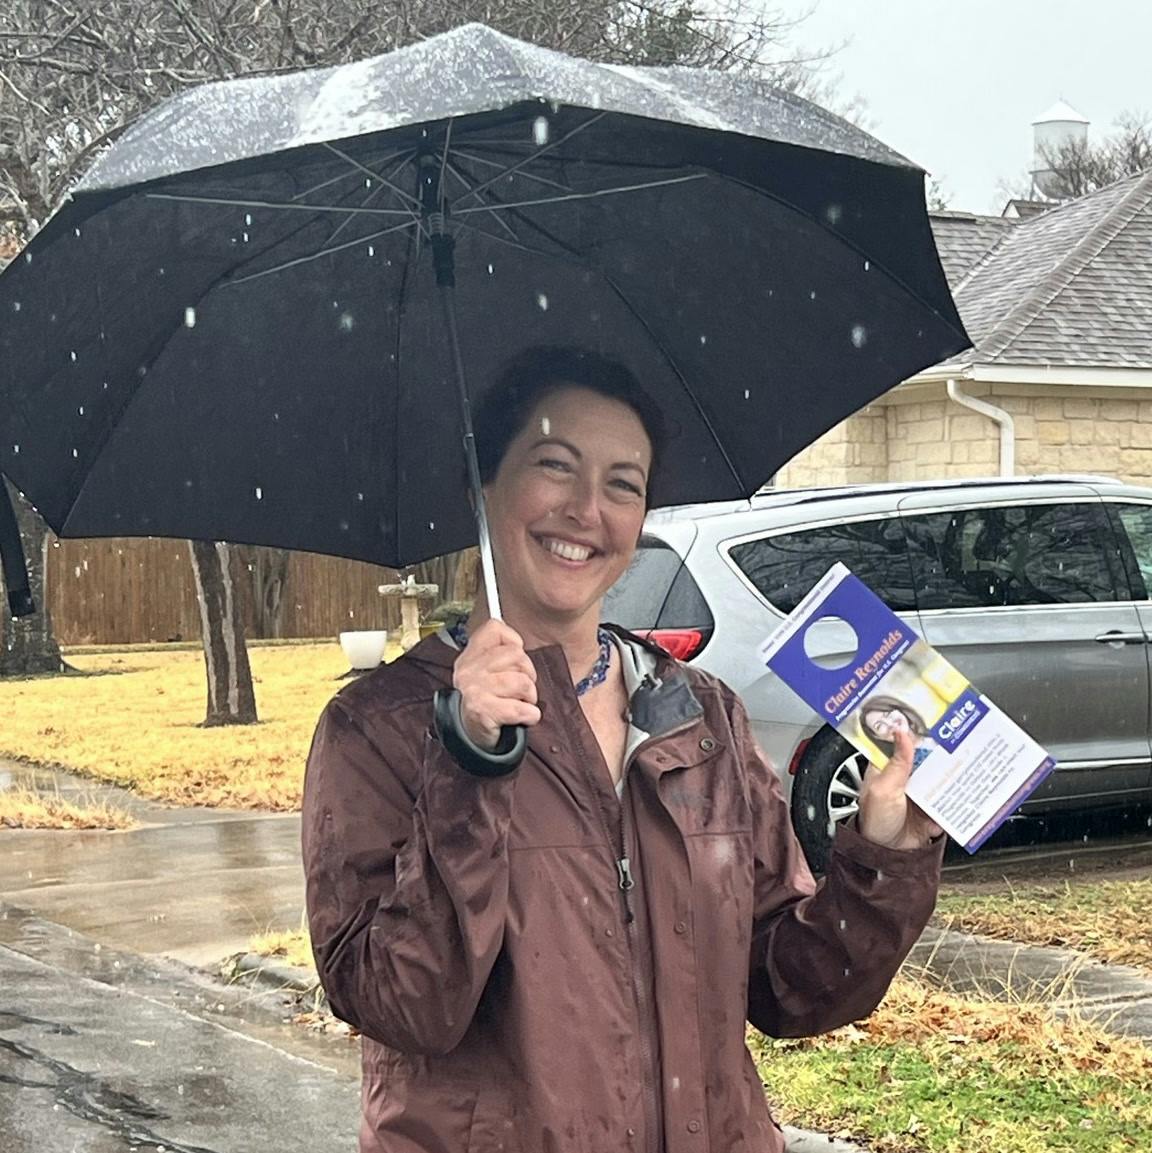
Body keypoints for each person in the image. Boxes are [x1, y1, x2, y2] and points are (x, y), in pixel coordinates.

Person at [302, 345, 945, 1153]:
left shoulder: (696, 713)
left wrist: (883, 851)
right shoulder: (379, 729)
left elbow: (791, 986)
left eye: (622, 483)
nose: (586, 509)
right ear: (483, 486)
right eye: (554, 465)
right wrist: (467, 767)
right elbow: (403, 1004)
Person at [860, 696, 938, 772]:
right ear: (877, 737)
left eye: (887, 714)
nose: (889, 724)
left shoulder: (938, 731)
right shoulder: (901, 770)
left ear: (900, 710)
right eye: (879, 726)